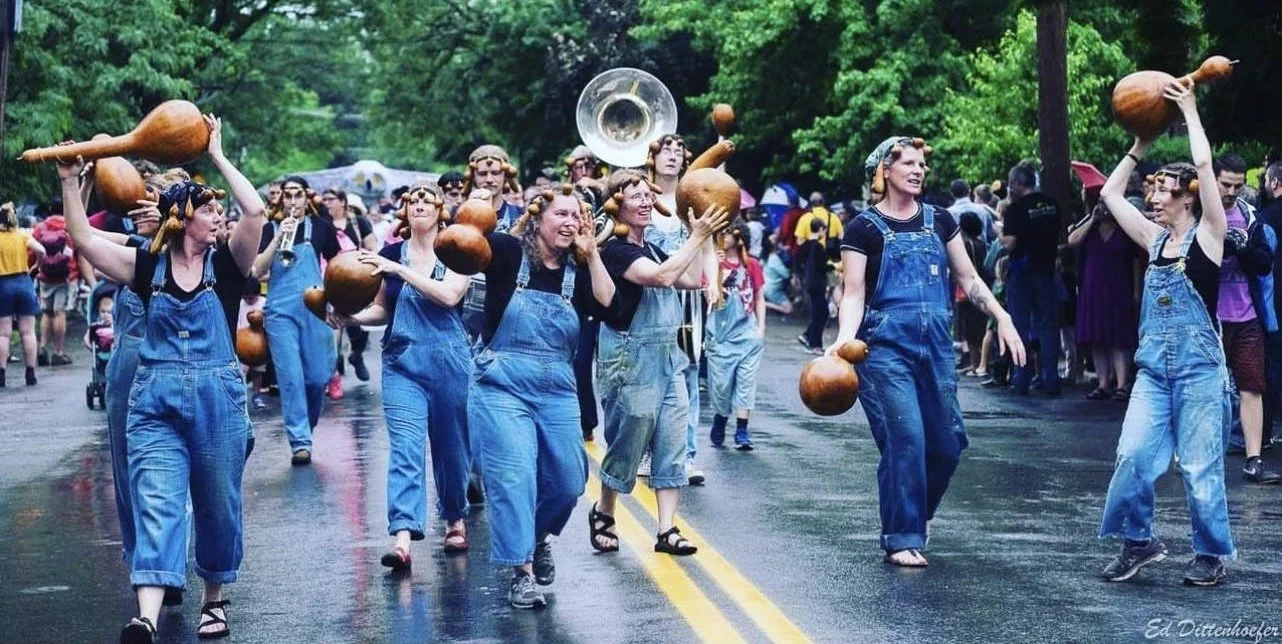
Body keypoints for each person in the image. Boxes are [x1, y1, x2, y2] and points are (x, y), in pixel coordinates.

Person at [59, 115, 266, 641]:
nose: (220, 219)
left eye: (221, 211)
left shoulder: (230, 263)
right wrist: (68, 180)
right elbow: (81, 238)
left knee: (218, 503)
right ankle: (146, 615)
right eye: (210, 210)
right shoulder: (145, 265)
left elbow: (256, 210)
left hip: (218, 400)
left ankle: (213, 599)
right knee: (154, 496)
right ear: (183, 219)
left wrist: (216, 154)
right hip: (155, 401)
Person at [832, 136, 1024, 567]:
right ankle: (901, 536)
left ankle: (916, 514)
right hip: (883, 349)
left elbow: (970, 279)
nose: (918, 171)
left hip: (935, 348)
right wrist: (845, 338)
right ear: (885, 171)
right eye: (909, 164)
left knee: (946, 444)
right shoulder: (862, 228)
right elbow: (853, 293)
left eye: (921, 164)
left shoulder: (940, 221)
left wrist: (1002, 315)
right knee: (907, 439)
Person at [1095, 80, 1237, 587]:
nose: (1152, 198)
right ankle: (1139, 542)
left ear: (1187, 199)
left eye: (1161, 191)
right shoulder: (1153, 241)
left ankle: (1210, 555)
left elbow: (1204, 169)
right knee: (1133, 456)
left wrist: (1190, 113)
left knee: (1200, 470)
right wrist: (1141, 140)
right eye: (1152, 190)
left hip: (1200, 373)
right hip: (1154, 372)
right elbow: (1111, 193)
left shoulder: (1210, 238)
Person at [466, 184, 614, 608]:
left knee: (570, 481)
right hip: (502, 385)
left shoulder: (579, 270)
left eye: (576, 217)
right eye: (562, 215)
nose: (570, 223)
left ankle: (536, 537)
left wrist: (592, 251)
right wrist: (477, 203)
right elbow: (466, 241)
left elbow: (608, 302)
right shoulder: (507, 253)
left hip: (557, 388)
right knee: (515, 477)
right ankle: (522, 572)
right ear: (537, 219)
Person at [334, 184, 474, 568]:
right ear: (405, 211)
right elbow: (381, 310)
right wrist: (350, 317)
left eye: (428, 200)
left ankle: (455, 517)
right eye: (414, 201)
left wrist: (400, 271)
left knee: (452, 448)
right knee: (406, 448)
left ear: (440, 210)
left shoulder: (455, 250)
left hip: (450, 361)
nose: (420, 205)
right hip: (402, 363)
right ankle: (403, 538)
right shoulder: (390, 253)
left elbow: (449, 296)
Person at [591, 170, 728, 561]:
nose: (647, 201)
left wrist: (694, 231)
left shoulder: (651, 244)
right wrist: (698, 237)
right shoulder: (616, 251)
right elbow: (662, 278)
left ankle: (666, 528)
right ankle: (604, 510)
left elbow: (690, 279)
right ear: (617, 204)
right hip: (630, 358)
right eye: (636, 196)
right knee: (627, 441)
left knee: (672, 440)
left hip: (669, 356)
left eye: (648, 195)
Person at [252, 176, 341, 466]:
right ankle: (300, 441)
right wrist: (278, 238)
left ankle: (307, 425)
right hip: (280, 310)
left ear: (306, 198)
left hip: (315, 305)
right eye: (287, 196)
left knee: (317, 377)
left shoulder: (322, 229)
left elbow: (339, 265)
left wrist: (341, 300)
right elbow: (257, 269)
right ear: (281, 200)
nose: (292, 201)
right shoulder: (270, 229)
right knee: (290, 377)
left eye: (297, 195)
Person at [1210, 154, 1280, 484]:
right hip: (1209, 316)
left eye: (1238, 186)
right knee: (1206, 387)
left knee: (1252, 386)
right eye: (1226, 184)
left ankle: (1254, 459)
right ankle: (1192, 453)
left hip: (1247, 313)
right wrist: (1219, 245)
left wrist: (1243, 249)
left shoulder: (1249, 215)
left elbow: (1265, 263)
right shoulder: (1200, 213)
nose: (1232, 192)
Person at [1002, 160, 1065, 396]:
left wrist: (1001, 236)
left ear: (1018, 184)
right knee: (1048, 326)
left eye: (1011, 184)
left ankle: (1022, 379)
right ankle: (1051, 379)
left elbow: (1010, 244)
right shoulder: (1052, 205)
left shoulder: (1015, 209)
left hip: (1022, 271)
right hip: (1046, 270)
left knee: (1020, 326)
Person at [1067, 202, 1139, 401]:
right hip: (1092, 288)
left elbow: (1134, 262)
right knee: (1096, 337)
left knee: (1118, 337)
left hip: (1118, 286)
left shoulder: (1124, 229)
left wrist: (1135, 291)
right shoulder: (1090, 229)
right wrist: (1091, 219)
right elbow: (1072, 241)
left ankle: (1122, 384)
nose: (1104, 210)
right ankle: (1103, 383)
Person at [706, 223, 765, 450]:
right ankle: (720, 419)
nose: (724, 235)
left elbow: (759, 297)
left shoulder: (752, 265)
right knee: (721, 386)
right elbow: (708, 296)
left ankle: (742, 429)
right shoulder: (713, 264)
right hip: (720, 336)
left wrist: (761, 330)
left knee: (746, 383)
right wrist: (717, 268)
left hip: (748, 334)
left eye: (728, 232)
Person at [0, 201, 45, 386]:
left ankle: (1, 375)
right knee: (28, 332)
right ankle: (30, 373)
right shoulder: (22, 235)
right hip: (23, 282)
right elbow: (41, 250)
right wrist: (36, 266)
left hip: (2, 284)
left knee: (3, 333)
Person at [32, 207, 76, 366]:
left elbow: (32, 251)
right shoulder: (69, 226)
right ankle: (58, 352)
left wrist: (34, 268)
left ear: (49, 210)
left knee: (46, 312)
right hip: (65, 277)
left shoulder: (40, 228)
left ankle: (42, 348)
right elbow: (77, 251)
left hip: (45, 276)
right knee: (59, 313)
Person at [1259, 162, 1282, 451]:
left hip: (1275, 298)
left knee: (1272, 364)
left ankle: (1266, 430)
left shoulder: (1267, 217)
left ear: (1275, 182)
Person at [797, 218, 830, 353]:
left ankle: (808, 336)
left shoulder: (806, 245)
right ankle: (815, 343)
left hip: (809, 282)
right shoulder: (818, 247)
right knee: (821, 314)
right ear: (821, 229)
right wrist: (834, 266)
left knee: (818, 312)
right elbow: (822, 266)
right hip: (818, 283)